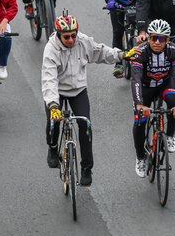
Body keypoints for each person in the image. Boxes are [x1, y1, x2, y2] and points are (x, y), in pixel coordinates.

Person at [42, 14, 126, 186]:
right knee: (53, 121)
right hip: (57, 91)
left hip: (78, 89)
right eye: (67, 37)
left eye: (74, 35)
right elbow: (49, 79)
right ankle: (52, 148)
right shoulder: (51, 49)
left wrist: (121, 55)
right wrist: (53, 105)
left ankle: (87, 168)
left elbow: (100, 51)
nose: (71, 40)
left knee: (85, 125)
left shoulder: (82, 41)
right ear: (58, 35)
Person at [131, 20, 175, 178]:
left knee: (174, 102)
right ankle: (140, 157)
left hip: (164, 83)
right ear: (148, 38)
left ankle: (169, 136)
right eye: (153, 38)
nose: (156, 42)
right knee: (139, 120)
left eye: (161, 39)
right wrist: (139, 104)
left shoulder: (174, 51)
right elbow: (135, 79)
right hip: (145, 86)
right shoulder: (140, 52)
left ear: (167, 40)